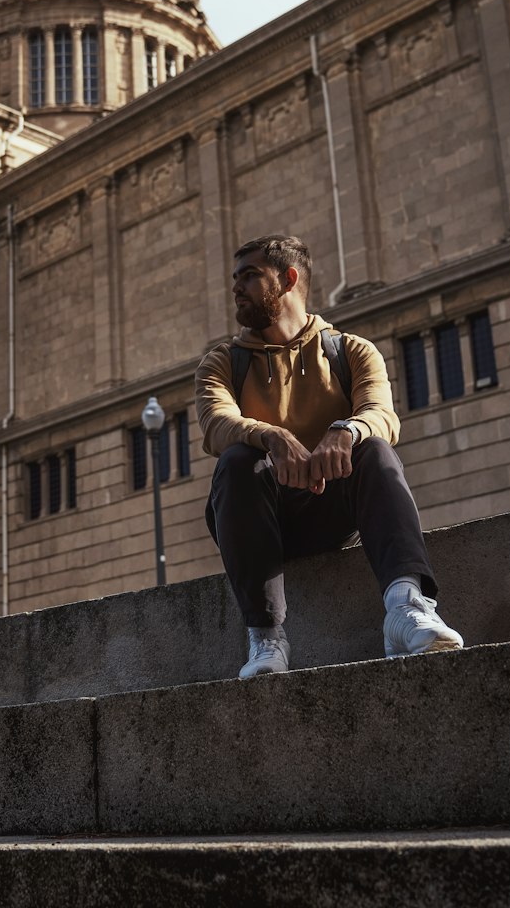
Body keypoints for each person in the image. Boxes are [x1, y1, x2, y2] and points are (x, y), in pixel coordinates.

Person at [196, 234, 464, 678]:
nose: (236, 288)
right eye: (234, 278)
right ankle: (266, 638)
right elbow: (216, 425)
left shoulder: (350, 351)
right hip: (260, 521)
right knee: (237, 461)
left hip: (333, 515)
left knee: (375, 450)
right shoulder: (223, 362)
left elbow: (382, 414)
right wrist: (272, 437)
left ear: (288, 279)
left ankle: (406, 609)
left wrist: (347, 430)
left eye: (250, 276)